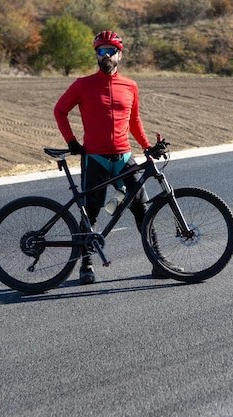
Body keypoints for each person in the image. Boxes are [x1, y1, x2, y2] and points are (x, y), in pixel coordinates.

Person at [54, 30, 153, 285]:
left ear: (119, 54)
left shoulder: (130, 85)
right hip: (95, 158)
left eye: (111, 51)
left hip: (124, 156)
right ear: (96, 55)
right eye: (101, 51)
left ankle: (157, 259)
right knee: (91, 212)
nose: (106, 55)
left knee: (141, 208)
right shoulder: (83, 84)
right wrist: (72, 142)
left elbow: (134, 121)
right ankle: (86, 265)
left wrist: (147, 146)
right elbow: (60, 110)